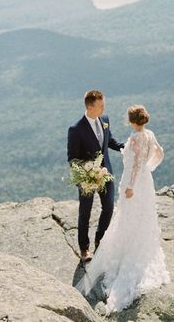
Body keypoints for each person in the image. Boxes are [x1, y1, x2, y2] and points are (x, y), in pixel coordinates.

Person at [76, 104, 170, 314]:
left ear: (131, 120)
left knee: (128, 215)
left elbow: (136, 164)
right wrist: (150, 168)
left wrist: (130, 186)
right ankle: (139, 245)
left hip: (134, 183)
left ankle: (125, 249)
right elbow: (160, 153)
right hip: (147, 181)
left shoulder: (136, 138)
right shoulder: (150, 134)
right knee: (143, 216)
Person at [67, 89, 124, 262]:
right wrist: (89, 172)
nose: (104, 108)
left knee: (108, 208)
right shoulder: (76, 129)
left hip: (106, 173)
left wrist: (127, 147)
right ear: (91, 107)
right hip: (87, 178)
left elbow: (110, 142)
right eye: (101, 105)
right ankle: (84, 248)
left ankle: (100, 239)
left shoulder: (105, 120)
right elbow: (72, 159)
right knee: (85, 212)